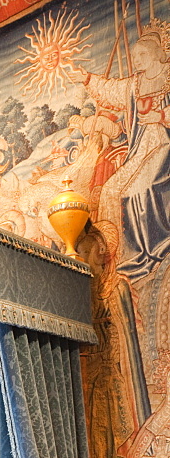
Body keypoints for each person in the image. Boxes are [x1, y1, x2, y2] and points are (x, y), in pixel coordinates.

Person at [71, 25, 170, 280]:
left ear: (157, 53)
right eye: (134, 57)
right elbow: (111, 91)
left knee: (136, 188)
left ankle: (146, 251)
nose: (136, 61)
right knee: (110, 189)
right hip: (140, 148)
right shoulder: (134, 84)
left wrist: (160, 115)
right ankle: (114, 256)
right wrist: (87, 79)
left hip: (163, 145)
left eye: (141, 56)